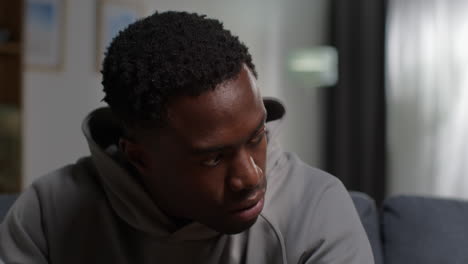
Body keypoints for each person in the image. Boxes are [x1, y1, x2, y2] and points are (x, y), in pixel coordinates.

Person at [0, 11, 374, 263]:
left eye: (256, 136)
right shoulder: (48, 214)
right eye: (213, 158)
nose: (251, 177)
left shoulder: (315, 208)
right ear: (140, 158)